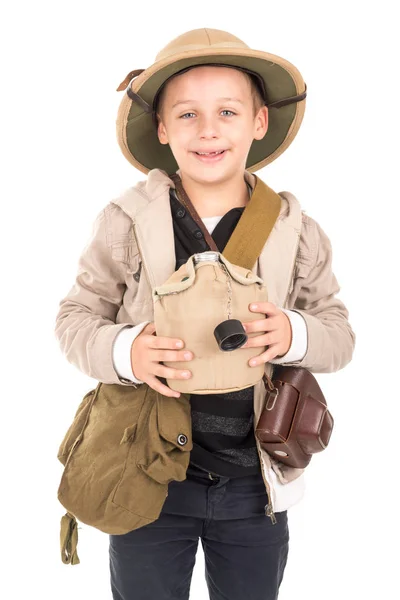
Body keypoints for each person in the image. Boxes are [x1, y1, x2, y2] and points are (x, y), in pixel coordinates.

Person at [55, 28, 355, 600]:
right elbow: (74, 318)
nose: (209, 129)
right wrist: (127, 351)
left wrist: (294, 333)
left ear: (258, 123)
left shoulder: (297, 230)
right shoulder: (126, 220)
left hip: (255, 485)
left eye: (226, 111)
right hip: (147, 475)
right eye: (187, 115)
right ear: (163, 129)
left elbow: (339, 336)